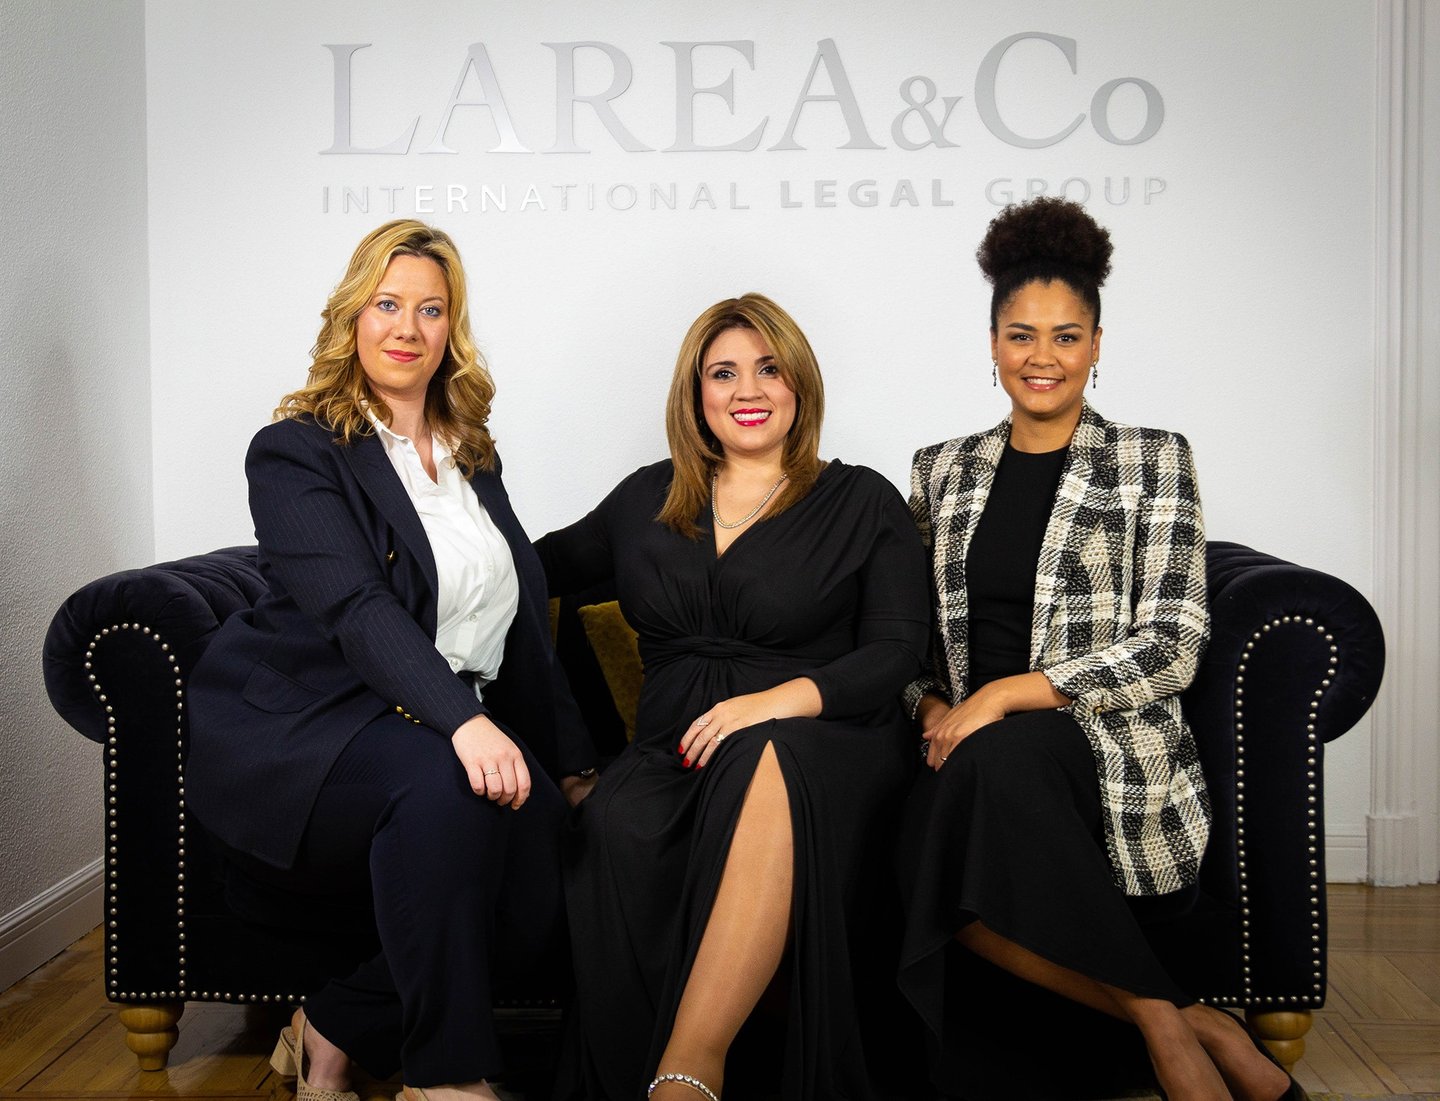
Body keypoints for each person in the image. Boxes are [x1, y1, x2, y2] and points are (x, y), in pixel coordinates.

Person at [896, 196, 1306, 1101]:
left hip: (1098, 739)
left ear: (1096, 345)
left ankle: (1168, 1030)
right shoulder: (940, 469)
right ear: (992, 343)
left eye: (1065, 336)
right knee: (932, 836)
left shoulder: (1153, 459)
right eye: (1021, 335)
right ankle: (1182, 1020)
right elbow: (910, 639)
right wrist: (933, 704)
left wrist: (1006, 694)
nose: (1041, 356)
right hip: (964, 744)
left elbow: (1174, 642)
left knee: (994, 764)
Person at [185, 220, 597, 1101]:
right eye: (387, 303)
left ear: (452, 329)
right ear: (353, 315)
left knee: (547, 857)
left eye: (431, 309)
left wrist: (565, 765)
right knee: (449, 787)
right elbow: (355, 607)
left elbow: (520, 614)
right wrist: (465, 722)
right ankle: (446, 1079)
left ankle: (335, 1023)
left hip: (435, 718)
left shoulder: (473, 454)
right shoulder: (296, 451)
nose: (407, 327)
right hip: (315, 722)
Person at [537, 293, 930, 1101]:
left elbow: (897, 651)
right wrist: (569, 757)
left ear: (799, 383)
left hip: (825, 742)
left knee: (768, 754)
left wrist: (779, 700)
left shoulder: (862, 500)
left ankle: (689, 1070)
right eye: (723, 373)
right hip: (674, 752)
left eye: (768, 368)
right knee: (615, 818)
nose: (747, 390)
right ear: (696, 393)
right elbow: (522, 574)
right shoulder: (644, 500)